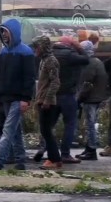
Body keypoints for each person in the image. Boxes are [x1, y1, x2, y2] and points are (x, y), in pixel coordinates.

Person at [0, 19, 36, 170]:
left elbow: (29, 77)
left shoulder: (26, 52)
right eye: (3, 32)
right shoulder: (3, 52)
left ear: (13, 32)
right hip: (5, 98)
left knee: (8, 130)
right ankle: (20, 160)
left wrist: (26, 99)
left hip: (17, 98)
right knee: (15, 129)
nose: (4, 35)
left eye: (6, 32)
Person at [33, 36, 89, 164]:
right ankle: (64, 154)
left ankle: (43, 148)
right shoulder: (70, 55)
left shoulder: (48, 56)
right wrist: (79, 47)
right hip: (67, 95)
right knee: (69, 124)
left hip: (51, 96)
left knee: (47, 126)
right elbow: (86, 60)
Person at [32, 35, 62, 170]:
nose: (35, 50)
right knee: (45, 131)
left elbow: (55, 82)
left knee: (47, 131)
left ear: (43, 47)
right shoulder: (44, 60)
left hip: (47, 101)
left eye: (37, 47)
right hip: (42, 99)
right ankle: (54, 158)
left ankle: (54, 159)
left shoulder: (50, 61)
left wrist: (47, 99)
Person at [75, 40, 109, 160]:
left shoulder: (89, 63)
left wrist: (78, 99)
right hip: (97, 96)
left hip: (91, 98)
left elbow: (87, 84)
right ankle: (89, 148)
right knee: (91, 124)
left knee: (90, 124)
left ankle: (91, 149)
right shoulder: (97, 61)